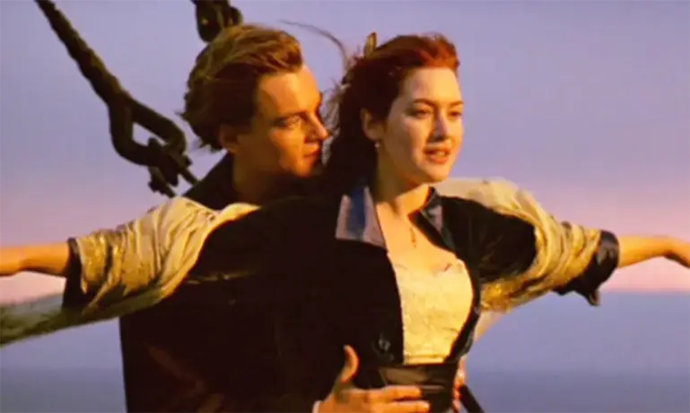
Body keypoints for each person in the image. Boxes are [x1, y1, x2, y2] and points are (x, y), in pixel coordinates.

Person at [2, 32, 688, 413]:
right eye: (290, 121)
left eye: (316, 111)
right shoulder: (181, 267)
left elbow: (538, 245)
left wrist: (427, 361)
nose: (318, 133)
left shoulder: (357, 206)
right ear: (231, 137)